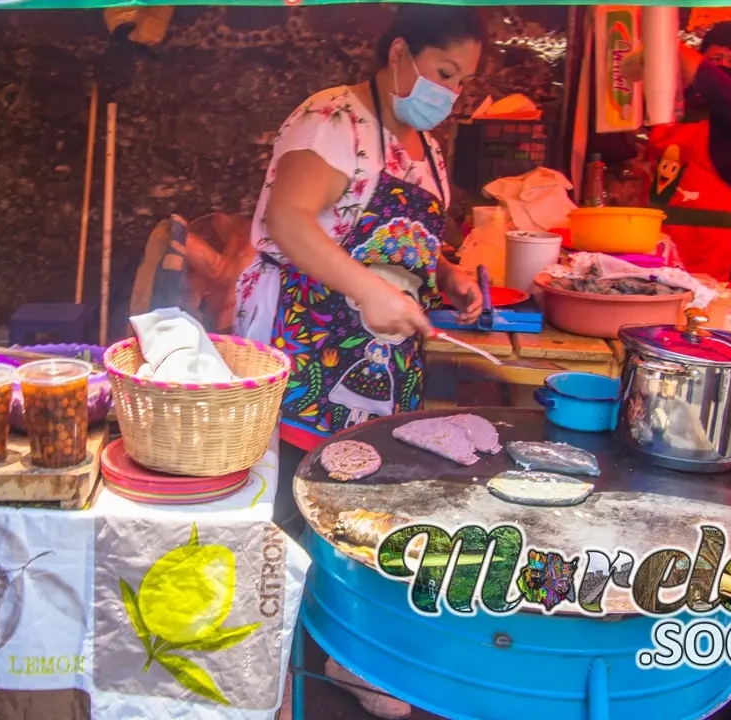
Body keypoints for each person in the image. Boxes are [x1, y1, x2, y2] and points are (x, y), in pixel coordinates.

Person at [233, 6, 485, 718]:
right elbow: (290, 219)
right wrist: (369, 290)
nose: (449, 92)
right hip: (308, 343)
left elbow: (407, 235)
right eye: (443, 72)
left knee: (361, 505)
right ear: (400, 52)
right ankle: (266, 675)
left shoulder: (423, 145)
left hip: (383, 354)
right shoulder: (332, 119)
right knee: (287, 510)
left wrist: (452, 272)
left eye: (461, 82)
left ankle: (348, 654)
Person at [625, 21, 731, 281]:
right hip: (658, 232)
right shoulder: (671, 105)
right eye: (716, 59)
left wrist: (663, 38)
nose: (724, 66)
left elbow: (712, 82)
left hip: (710, 239)